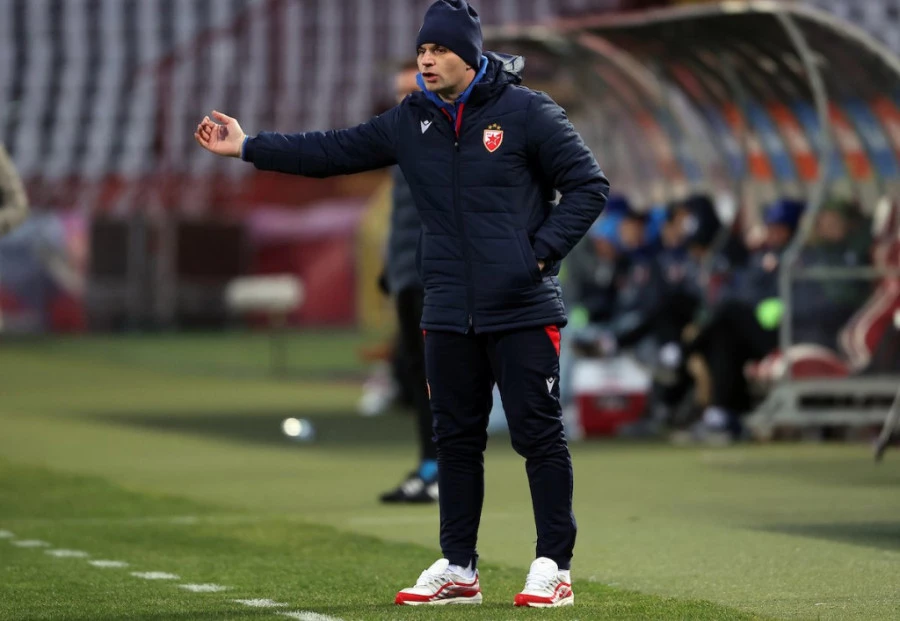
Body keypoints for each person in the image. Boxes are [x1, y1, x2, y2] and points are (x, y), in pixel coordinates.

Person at [194, 0, 609, 608]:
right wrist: (248, 146)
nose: (427, 61)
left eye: (438, 50)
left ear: (468, 55)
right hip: (447, 307)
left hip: (522, 306)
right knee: (455, 441)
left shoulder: (528, 112)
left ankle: (553, 566)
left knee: (538, 437)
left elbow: (588, 186)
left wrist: (538, 257)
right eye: (422, 51)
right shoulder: (411, 120)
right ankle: (459, 567)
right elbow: (331, 151)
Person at [378, 60, 440, 504]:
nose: (404, 99)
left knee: (436, 379)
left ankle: (440, 470)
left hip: (433, 277)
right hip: (405, 275)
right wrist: (390, 268)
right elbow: (402, 215)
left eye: (412, 90)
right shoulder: (404, 140)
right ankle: (430, 466)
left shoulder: (443, 141)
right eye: (399, 92)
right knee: (418, 378)